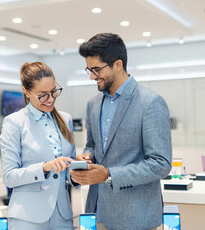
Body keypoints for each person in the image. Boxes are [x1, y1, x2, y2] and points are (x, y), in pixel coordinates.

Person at [70, 33, 172, 230]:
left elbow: (161, 164)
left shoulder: (150, 102)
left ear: (117, 64)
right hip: (97, 213)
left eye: (96, 69)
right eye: (89, 70)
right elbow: (92, 144)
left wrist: (109, 175)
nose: (92, 76)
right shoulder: (93, 104)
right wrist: (87, 156)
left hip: (135, 217)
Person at [0, 62, 77, 230]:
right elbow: (9, 177)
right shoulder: (14, 123)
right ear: (26, 91)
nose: (51, 99)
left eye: (54, 92)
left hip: (62, 215)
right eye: (43, 95)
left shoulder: (66, 119)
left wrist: (79, 168)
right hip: (27, 217)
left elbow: (68, 170)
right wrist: (45, 167)